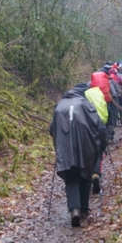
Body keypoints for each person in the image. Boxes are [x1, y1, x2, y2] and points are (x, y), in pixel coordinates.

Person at [49, 84, 107, 227]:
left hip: (65, 149)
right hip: (85, 147)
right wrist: (102, 145)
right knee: (85, 175)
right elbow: (99, 126)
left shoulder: (59, 106)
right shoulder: (85, 104)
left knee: (71, 177)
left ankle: (74, 209)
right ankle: (84, 209)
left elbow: (52, 130)